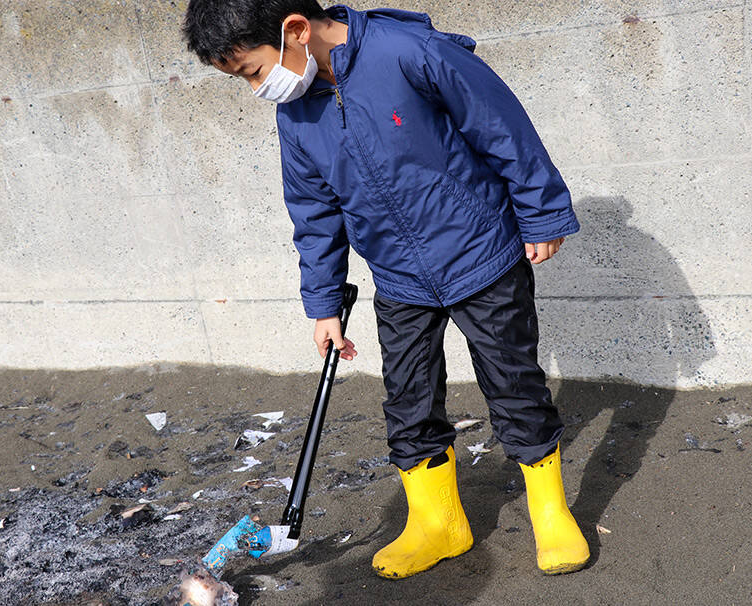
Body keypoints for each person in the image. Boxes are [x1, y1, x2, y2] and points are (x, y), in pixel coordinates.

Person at [182, 1, 589, 578]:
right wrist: (324, 304)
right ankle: (439, 523)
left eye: (252, 71)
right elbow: (314, 212)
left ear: (294, 30)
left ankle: (550, 511)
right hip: (399, 276)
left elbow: (501, 126)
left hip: (481, 254)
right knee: (408, 402)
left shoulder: (410, 53)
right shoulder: (296, 113)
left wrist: (543, 213)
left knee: (514, 385)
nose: (257, 89)